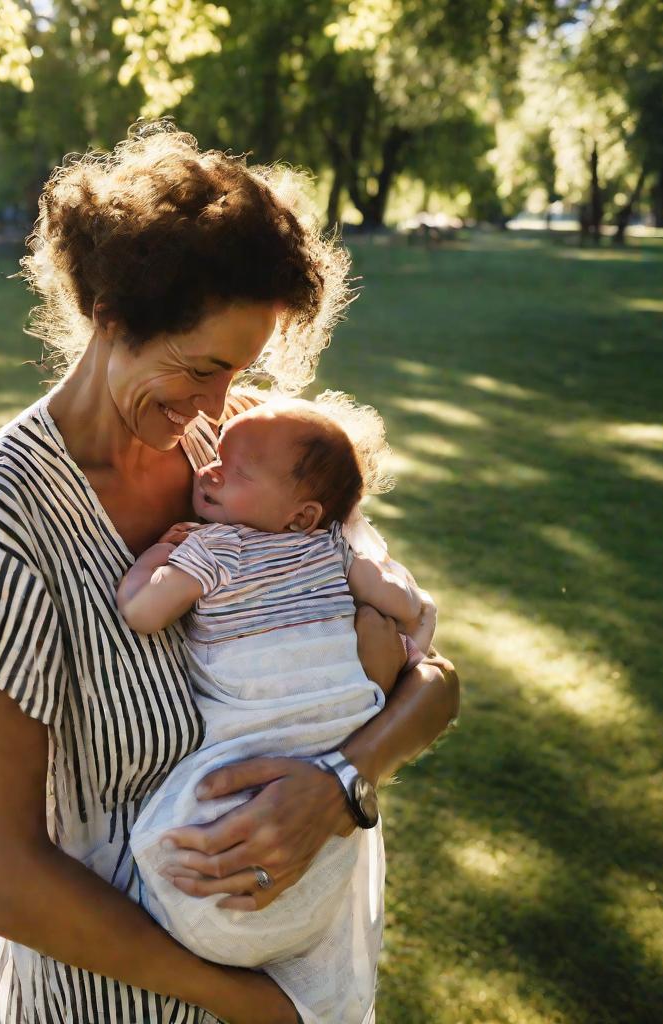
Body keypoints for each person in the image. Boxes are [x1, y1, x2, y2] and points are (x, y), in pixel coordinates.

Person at [0, 122, 460, 1024]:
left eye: (240, 373)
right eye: (202, 368)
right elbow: (3, 879)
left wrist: (341, 784)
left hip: (287, 954)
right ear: (111, 316)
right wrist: (255, 1005)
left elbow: (431, 682)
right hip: (110, 1002)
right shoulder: (2, 519)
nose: (217, 406)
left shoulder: (251, 451)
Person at [119, 396, 435, 1024]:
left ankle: (229, 922)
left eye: (235, 471)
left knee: (196, 828)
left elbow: (141, 612)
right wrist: (416, 625)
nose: (209, 471)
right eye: (216, 460)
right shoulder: (333, 553)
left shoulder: (214, 551)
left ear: (302, 514)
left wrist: (159, 557)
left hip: (266, 725)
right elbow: (398, 600)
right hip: (334, 725)